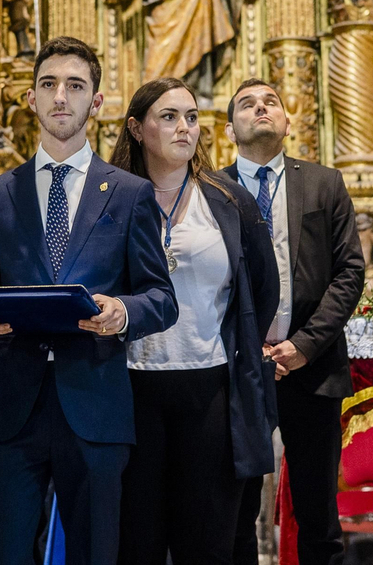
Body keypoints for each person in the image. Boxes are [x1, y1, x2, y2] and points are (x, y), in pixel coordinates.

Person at [0, 37, 178, 565]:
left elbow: (162, 298)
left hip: (96, 406)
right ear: (31, 99)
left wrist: (123, 312)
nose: (61, 96)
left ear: (96, 102)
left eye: (75, 86)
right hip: (13, 407)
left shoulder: (129, 193)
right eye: (49, 85)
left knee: (96, 555)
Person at [110, 77, 278, 565]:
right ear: (137, 129)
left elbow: (261, 289)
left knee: (206, 543)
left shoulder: (228, 200)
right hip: (130, 388)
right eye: (168, 117)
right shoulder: (110, 200)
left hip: (209, 389)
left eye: (191, 117)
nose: (184, 128)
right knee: (135, 542)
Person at [223, 79, 365, 565]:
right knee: (236, 511)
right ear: (230, 128)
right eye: (247, 104)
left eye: (271, 102)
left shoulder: (324, 183)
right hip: (235, 371)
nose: (260, 108)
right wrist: (248, 347)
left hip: (312, 366)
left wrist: (304, 344)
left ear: (287, 121)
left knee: (318, 513)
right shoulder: (210, 189)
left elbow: (350, 272)